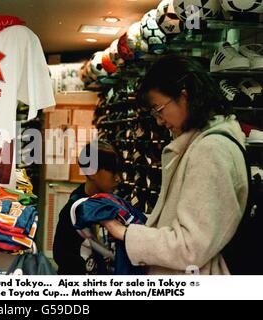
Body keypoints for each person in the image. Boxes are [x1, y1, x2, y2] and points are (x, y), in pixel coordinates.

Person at [101, 55, 248, 275]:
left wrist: (125, 233)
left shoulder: (210, 150)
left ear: (184, 95)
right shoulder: (203, 144)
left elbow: (190, 247)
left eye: (159, 110)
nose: (159, 121)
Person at [53, 141, 121, 275]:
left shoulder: (113, 203)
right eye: (112, 172)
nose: (118, 178)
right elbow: (63, 257)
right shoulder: (73, 212)